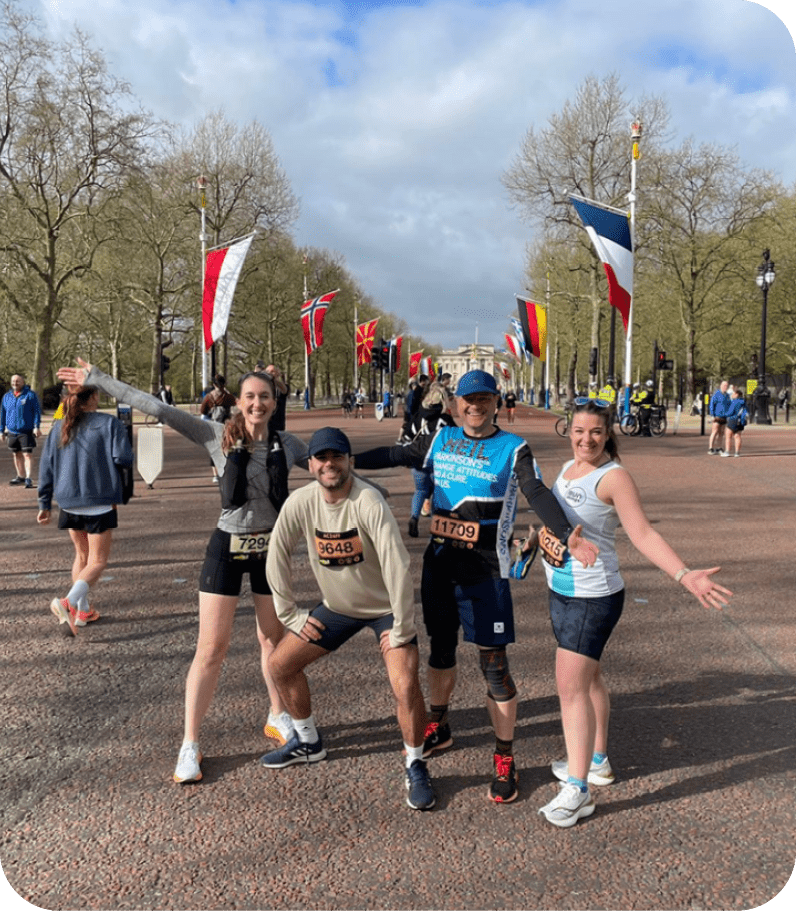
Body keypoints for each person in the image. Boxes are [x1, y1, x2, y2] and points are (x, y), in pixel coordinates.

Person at [56, 359, 307, 784]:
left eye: (264, 396)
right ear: (239, 401)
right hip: (226, 548)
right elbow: (157, 408)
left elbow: (338, 467)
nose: (257, 403)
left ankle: (277, 714)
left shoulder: (290, 444)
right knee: (211, 649)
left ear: (274, 400)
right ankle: (190, 742)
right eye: (250, 396)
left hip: (271, 550)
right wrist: (99, 379)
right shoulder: (215, 434)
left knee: (273, 640)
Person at [353, 370, 598, 804]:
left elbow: (535, 491)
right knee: (440, 650)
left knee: (494, 667)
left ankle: (504, 756)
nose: (475, 406)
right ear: (455, 404)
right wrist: (341, 459)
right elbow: (395, 454)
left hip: (485, 571)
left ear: (496, 402)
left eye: (484, 399)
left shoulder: (514, 448)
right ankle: (440, 723)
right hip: (440, 565)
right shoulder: (440, 438)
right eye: (468, 399)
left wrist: (565, 532)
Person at [536, 397, 732, 827]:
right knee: (589, 679)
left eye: (596, 432)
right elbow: (562, 523)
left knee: (569, 688)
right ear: (569, 430)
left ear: (607, 434)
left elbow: (642, 533)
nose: (586, 439)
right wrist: (536, 541)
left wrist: (684, 575)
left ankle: (577, 790)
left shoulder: (614, 477)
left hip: (592, 597)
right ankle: (597, 760)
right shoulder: (568, 468)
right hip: (562, 589)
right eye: (579, 431)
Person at [259, 427, 436, 811]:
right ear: (310, 465)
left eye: (337, 457)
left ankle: (415, 762)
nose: (329, 464)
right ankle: (308, 742)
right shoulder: (301, 502)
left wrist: (402, 627)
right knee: (280, 665)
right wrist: (289, 613)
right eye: (321, 458)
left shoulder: (368, 501)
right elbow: (277, 553)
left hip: (385, 611)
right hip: (337, 608)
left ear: (350, 462)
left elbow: (397, 565)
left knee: (405, 683)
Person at [37, 385, 133, 635]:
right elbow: (123, 458)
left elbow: (46, 467)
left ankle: (84, 610)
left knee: (81, 556)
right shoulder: (109, 423)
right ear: (93, 397)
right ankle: (68, 602)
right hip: (98, 499)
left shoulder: (59, 426)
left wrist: (44, 503)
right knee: (98, 561)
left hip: (68, 500)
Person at [1, 373, 42, 489]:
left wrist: (36, 426)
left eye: (17, 381)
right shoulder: (7, 397)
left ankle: (28, 478)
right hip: (12, 431)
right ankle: (20, 476)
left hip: (26, 431)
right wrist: (1, 430)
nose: (15, 383)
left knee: (27, 454)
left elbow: (36, 412)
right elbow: (2, 414)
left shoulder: (30, 395)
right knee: (16, 454)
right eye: (13, 381)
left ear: (23, 382)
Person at [200, 375, 237, 483]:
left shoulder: (209, 397)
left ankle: (215, 474)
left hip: (214, 425)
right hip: (226, 425)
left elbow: (203, 411)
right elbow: (236, 403)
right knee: (228, 448)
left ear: (214, 384)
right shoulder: (228, 396)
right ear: (224, 384)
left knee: (214, 449)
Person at [722, 389, 748, 457]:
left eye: (733, 394)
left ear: (737, 394)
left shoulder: (735, 402)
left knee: (728, 436)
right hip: (740, 421)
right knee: (737, 436)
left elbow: (730, 412)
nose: (732, 395)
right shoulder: (744, 402)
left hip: (733, 420)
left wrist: (724, 414)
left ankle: (727, 451)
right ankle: (737, 453)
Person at [708, 381, 730, 454]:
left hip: (724, 417)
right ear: (721, 385)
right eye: (724, 385)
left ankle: (719, 448)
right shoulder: (716, 394)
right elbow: (712, 404)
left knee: (721, 433)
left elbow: (729, 405)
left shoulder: (727, 396)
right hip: (717, 416)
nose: (725, 387)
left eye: (726, 386)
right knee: (714, 432)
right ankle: (711, 448)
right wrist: (712, 415)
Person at [264, 364, 288, 432]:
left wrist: (273, 379)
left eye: (272, 371)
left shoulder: (282, 386)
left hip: (278, 425)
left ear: (278, 373)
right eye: (268, 372)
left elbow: (284, 390)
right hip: (265, 425)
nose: (270, 374)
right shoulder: (263, 387)